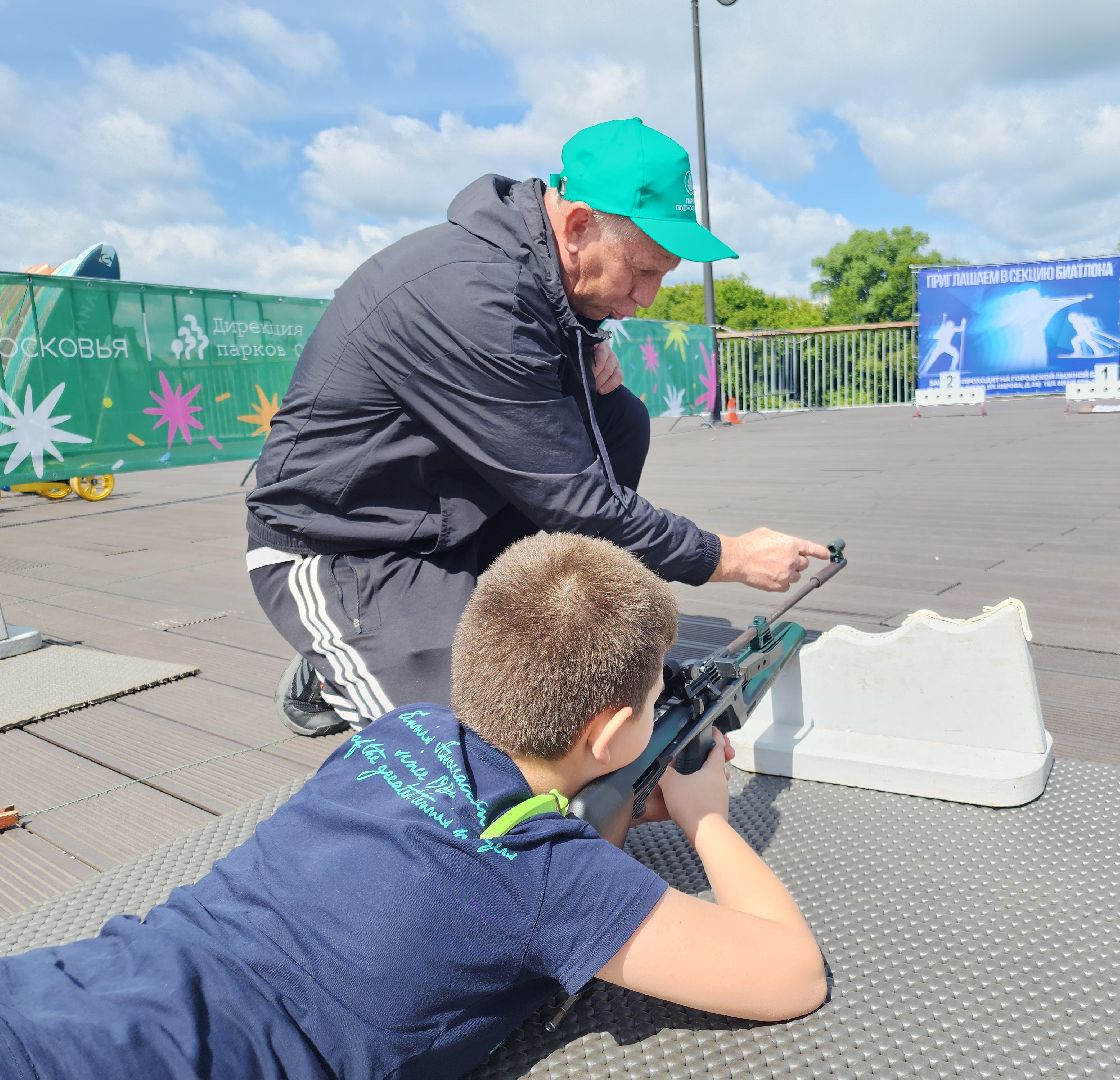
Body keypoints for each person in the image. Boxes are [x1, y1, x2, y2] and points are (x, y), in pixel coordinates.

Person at [0, 534, 828, 1080]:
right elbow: (791, 976)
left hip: (65, 990)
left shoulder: (401, 729)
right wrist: (703, 811)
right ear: (612, 734)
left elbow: (435, 840)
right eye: (654, 704)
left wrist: (605, 799)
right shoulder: (548, 878)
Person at [244, 116, 829, 735]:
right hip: (345, 548)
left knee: (619, 417)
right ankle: (340, 663)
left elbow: (568, 418)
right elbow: (580, 502)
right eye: (643, 271)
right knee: (485, 746)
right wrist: (727, 556)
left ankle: (476, 618)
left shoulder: (540, 274)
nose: (650, 298)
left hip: (443, 521)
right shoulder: (470, 294)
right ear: (578, 226)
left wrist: (587, 346)